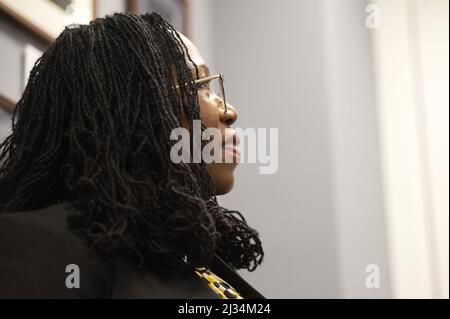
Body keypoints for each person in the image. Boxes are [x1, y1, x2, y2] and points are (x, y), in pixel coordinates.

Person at [0, 12, 264, 298]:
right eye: (199, 86)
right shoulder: (46, 244)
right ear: (133, 111)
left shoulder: (190, 252)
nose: (230, 111)